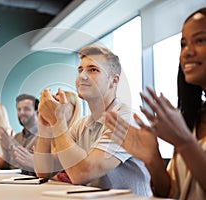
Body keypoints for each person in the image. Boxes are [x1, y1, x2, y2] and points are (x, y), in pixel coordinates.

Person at [105, 8, 206, 199]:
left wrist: (186, 143)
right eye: (183, 44)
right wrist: (153, 160)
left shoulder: (184, 135)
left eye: (200, 40)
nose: (187, 52)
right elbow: (170, 192)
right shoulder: (191, 118)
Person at [35, 45, 152, 196]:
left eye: (93, 70)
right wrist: (45, 125)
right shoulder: (82, 124)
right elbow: (44, 171)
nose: (82, 76)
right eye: (80, 70)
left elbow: (81, 173)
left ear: (113, 81)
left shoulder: (126, 119)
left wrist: (58, 121)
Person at [0, 94, 39, 174]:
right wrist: (5, 150)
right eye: (19, 109)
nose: (21, 113)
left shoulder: (45, 137)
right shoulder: (17, 137)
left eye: (26, 109)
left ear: (37, 112)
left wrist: (11, 146)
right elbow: (2, 167)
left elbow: (27, 168)